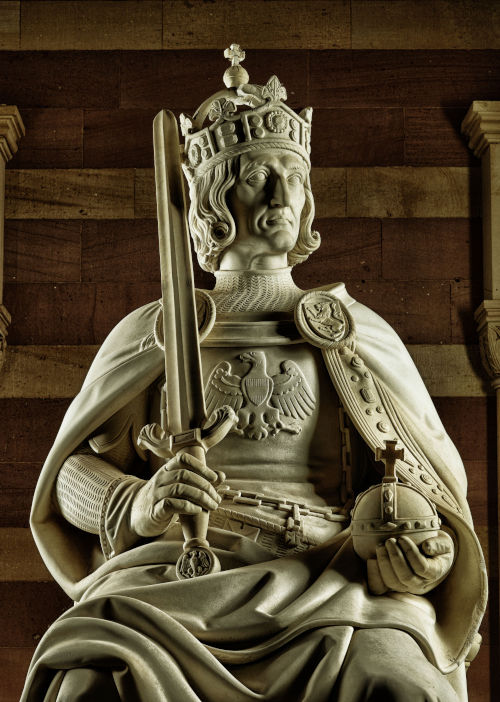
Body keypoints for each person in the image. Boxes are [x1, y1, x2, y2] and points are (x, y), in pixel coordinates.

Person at [22, 47, 486, 702]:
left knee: (403, 680)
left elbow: (412, 479)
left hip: (328, 571)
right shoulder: (157, 330)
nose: (279, 194)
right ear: (210, 205)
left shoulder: (353, 331)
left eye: (291, 177)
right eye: (253, 176)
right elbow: (70, 474)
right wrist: (139, 503)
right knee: (86, 675)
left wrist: (415, 545)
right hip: (173, 572)